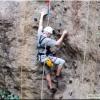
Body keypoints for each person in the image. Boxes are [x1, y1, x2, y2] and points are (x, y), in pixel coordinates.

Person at [37, 9, 67, 93]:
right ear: (47, 33)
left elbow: (40, 26)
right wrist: (63, 35)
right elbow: (57, 43)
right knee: (62, 62)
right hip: (47, 57)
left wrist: (42, 15)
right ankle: (57, 77)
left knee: (47, 72)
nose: (50, 35)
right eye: (50, 34)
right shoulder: (46, 40)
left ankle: (51, 87)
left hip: (41, 58)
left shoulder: (39, 34)